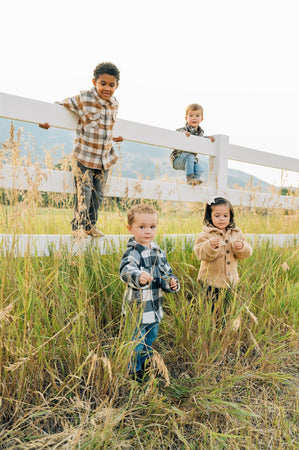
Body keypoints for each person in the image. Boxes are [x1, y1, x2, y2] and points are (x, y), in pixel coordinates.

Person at [39, 62, 123, 237]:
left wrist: (117, 136)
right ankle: (78, 227)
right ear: (94, 82)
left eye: (111, 85)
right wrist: (46, 120)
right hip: (84, 156)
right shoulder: (84, 98)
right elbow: (59, 106)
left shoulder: (114, 103)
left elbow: (110, 126)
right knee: (84, 192)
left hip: (104, 159)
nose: (107, 88)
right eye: (103, 83)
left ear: (117, 85)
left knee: (98, 195)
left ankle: (90, 225)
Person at [119, 204, 179, 382]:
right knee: (135, 341)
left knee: (150, 338)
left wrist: (171, 282)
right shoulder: (133, 252)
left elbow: (166, 273)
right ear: (130, 229)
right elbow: (125, 271)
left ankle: (144, 362)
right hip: (137, 310)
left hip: (154, 309)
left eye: (152, 227)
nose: (148, 232)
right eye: (142, 227)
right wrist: (138, 277)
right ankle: (133, 371)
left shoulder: (158, 252)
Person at [194, 197, 252, 319]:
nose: (222, 219)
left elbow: (247, 253)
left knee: (228, 308)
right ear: (210, 216)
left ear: (230, 216)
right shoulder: (206, 234)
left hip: (230, 282)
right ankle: (211, 327)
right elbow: (200, 253)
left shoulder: (236, 233)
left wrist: (241, 247)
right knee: (211, 309)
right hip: (210, 281)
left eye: (225, 215)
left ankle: (225, 327)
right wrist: (210, 246)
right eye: (217, 215)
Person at [170, 103, 215, 185]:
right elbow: (176, 132)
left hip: (190, 161)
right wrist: (183, 133)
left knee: (199, 170)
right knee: (190, 156)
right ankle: (190, 178)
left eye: (197, 116)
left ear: (201, 119)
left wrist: (207, 139)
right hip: (178, 158)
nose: (194, 118)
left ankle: (193, 184)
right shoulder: (184, 129)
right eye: (191, 115)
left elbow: (200, 140)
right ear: (186, 118)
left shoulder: (200, 132)